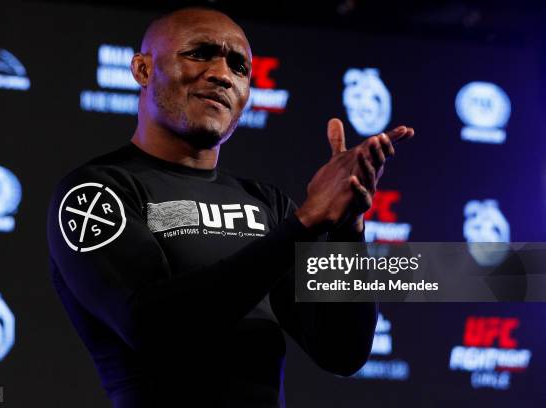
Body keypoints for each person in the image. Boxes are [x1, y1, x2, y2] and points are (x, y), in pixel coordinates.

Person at [46, 7, 414, 408]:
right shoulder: (96, 191)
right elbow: (153, 326)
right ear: (142, 69)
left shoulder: (266, 204)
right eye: (199, 53)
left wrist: (347, 227)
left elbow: (341, 351)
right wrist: (304, 222)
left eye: (239, 66)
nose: (222, 74)